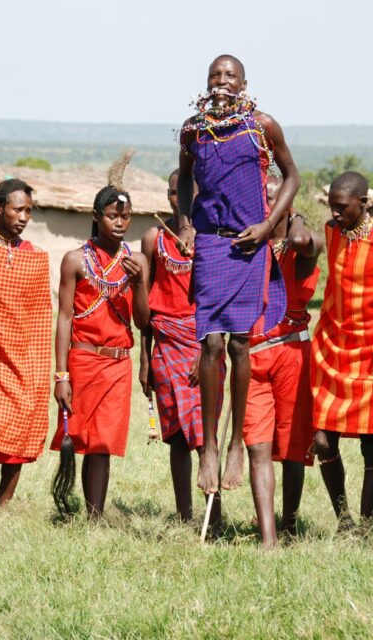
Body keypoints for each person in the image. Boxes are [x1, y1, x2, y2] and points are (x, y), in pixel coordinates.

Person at [177, 54, 300, 496]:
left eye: (230, 75)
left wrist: (269, 226)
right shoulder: (194, 130)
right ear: (206, 82)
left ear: (245, 84)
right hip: (212, 243)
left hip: (250, 243)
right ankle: (208, 446)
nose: (222, 81)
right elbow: (185, 180)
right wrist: (187, 224)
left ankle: (235, 443)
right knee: (211, 342)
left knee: (242, 342)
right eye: (215, 74)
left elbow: (292, 177)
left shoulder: (262, 126)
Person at [51, 179, 149, 519]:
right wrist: (61, 375)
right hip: (82, 358)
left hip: (117, 363)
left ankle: (94, 518)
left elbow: (141, 321)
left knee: (104, 442)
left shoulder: (137, 262)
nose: (120, 223)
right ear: (96, 216)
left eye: (126, 217)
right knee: (84, 439)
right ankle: (87, 511)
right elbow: (64, 318)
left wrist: (139, 283)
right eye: (112, 216)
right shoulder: (74, 260)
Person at [140, 169, 226, 524]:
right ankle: (185, 515)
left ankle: (213, 516)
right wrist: (144, 361)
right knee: (175, 436)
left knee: (206, 436)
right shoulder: (153, 239)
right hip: (165, 344)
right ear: (169, 197)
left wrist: (207, 353)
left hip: (203, 344)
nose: (181, 199)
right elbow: (145, 309)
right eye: (175, 193)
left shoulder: (214, 237)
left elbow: (220, 301)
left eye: (187, 192)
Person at [243, 176, 323, 547]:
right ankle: (268, 539)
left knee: (292, 446)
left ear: (289, 202)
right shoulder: (246, 244)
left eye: (275, 198)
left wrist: (296, 218)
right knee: (257, 445)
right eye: (263, 198)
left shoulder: (303, 248)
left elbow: (303, 241)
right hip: (251, 358)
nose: (268, 206)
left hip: (292, 354)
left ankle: (289, 525)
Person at [0, 179, 52, 508]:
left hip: (25, 357)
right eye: (18, 209)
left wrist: (40, 364)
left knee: (21, 426)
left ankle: (4, 501)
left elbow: (42, 314)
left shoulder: (35, 257)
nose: (24, 217)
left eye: (29, 211)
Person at [311, 171, 373, 529]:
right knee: (322, 440)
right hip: (332, 350)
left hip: (368, 356)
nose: (335, 213)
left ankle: (367, 526)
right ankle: (344, 521)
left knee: (370, 446)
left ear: (363, 203)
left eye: (342, 207)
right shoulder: (332, 233)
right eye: (332, 206)